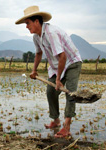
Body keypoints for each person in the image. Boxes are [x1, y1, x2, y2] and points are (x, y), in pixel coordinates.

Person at [15, 5, 82, 138]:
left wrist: (58, 80)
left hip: (72, 62)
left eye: (27, 23)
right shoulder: (36, 37)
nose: (26, 26)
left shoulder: (51, 33)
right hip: (57, 65)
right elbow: (39, 54)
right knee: (50, 91)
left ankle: (66, 127)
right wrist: (34, 71)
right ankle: (56, 120)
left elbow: (63, 56)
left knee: (71, 93)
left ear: (36, 21)